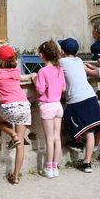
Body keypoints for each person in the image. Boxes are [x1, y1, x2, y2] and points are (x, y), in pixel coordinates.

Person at [0, 45, 31, 185]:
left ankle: (12, 135)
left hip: (10, 107)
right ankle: (15, 177)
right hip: (24, 106)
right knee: (20, 144)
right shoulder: (16, 71)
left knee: (1, 123)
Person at [58, 38, 100, 173]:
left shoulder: (61, 62)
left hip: (76, 100)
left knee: (66, 117)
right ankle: (87, 162)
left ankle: (76, 141)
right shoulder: (79, 61)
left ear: (62, 51)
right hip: (90, 96)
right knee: (90, 131)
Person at [31, 40, 66, 179]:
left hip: (47, 106)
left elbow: (40, 90)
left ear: (42, 55)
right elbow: (63, 88)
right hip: (58, 105)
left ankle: (48, 167)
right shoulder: (59, 70)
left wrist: (34, 79)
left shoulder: (42, 71)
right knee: (57, 138)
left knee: (49, 139)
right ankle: (56, 166)